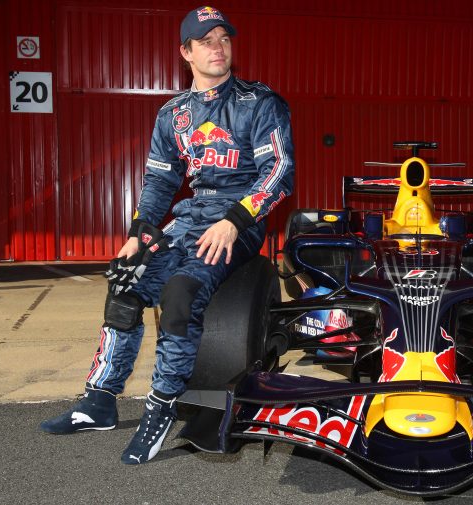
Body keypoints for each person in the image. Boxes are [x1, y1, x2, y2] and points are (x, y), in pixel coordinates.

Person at [40, 6, 294, 465]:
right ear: (186, 52)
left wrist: (234, 220)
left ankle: (161, 407)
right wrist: (137, 234)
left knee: (179, 295)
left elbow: (279, 172)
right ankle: (100, 400)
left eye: (224, 39)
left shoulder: (260, 103)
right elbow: (159, 182)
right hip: (190, 217)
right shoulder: (173, 114)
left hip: (237, 222)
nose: (218, 48)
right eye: (206, 41)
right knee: (125, 281)